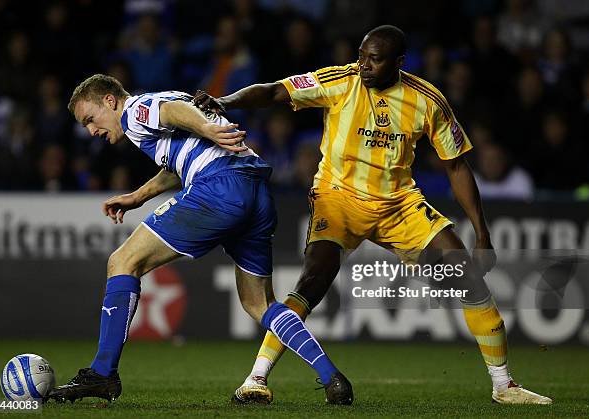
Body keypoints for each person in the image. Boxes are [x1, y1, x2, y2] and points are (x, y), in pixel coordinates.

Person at [194, 25, 552, 405]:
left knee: (467, 280)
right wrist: (226, 100)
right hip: (338, 198)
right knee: (312, 282)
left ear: (398, 63)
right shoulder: (340, 80)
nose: (363, 65)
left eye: (374, 59)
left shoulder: (427, 99)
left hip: (398, 206)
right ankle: (256, 379)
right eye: (362, 55)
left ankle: (503, 386)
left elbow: (458, 167)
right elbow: (275, 91)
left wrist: (482, 233)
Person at [46, 74, 352, 404]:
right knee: (258, 302)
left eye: (90, 119)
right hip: (256, 192)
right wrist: (138, 196)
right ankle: (332, 377)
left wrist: (207, 128)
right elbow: (177, 159)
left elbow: (172, 110)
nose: (91, 131)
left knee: (122, 262)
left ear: (109, 100)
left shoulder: (134, 109)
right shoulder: (159, 105)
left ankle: (102, 374)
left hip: (218, 188)